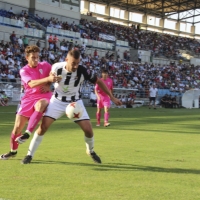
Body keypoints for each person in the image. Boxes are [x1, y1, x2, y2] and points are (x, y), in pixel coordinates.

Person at [20, 49, 121, 164]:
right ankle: (29, 155)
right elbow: (49, 77)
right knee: (43, 127)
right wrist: (48, 85)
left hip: (75, 102)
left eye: (78, 63)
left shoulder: (83, 71)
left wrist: (112, 97)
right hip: (57, 101)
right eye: (73, 63)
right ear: (66, 60)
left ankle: (90, 151)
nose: (76, 66)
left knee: (89, 130)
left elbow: (99, 82)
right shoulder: (56, 67)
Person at [0, 45, 60, 160]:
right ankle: (13, 151)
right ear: (27, 58)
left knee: (41, 104)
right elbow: (31, 84)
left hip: (44, 96)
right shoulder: (24, 70)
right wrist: (47, 80)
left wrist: (49, 85)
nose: (36, 60)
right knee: (17, 128)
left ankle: (27, 134)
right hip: (28, 99)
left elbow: (55, 77)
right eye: (33, 57)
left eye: (37, 57)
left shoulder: (46, 65)